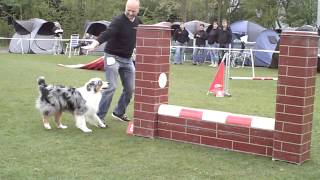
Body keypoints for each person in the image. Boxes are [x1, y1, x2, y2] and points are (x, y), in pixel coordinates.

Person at [82, 0, 141, 125]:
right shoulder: (118, 20)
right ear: (125, 7)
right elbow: (107, 33)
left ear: (138, 10)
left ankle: (119, 112)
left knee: (130, 89)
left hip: (127, 59)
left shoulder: (138, 22)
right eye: (128, 10)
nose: (130, 13)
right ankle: (98, 117)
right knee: (111, 87)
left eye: (133, 11)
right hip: (112, 56)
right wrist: (95, 44)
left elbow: (143, 35)